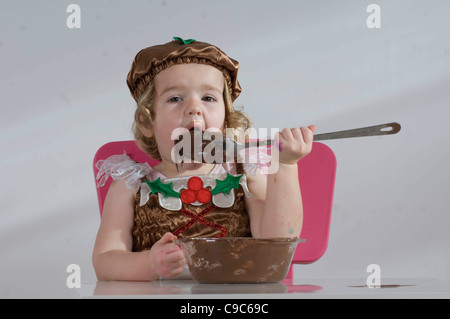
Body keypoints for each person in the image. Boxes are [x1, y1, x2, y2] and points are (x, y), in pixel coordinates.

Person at [92, 37, 316, 281]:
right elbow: (105, 260)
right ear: (147, 121)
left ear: (226, 118)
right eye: (175, 98)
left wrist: (285, 165)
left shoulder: (245, 175)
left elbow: (276, 244)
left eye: (208, 98)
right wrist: (147, 264)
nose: (194, 108)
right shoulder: (131, 184)